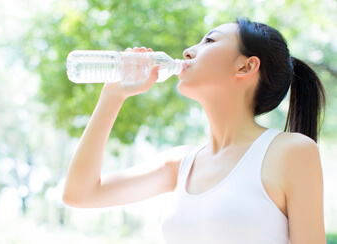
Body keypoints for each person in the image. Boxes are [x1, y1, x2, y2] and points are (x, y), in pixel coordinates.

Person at [62, 17, 327, 243]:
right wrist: (113, 94)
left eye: (209, 41)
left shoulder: (290, 152)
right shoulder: (180, 164)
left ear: (246, 66)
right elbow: (80, 193)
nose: (188, 51)